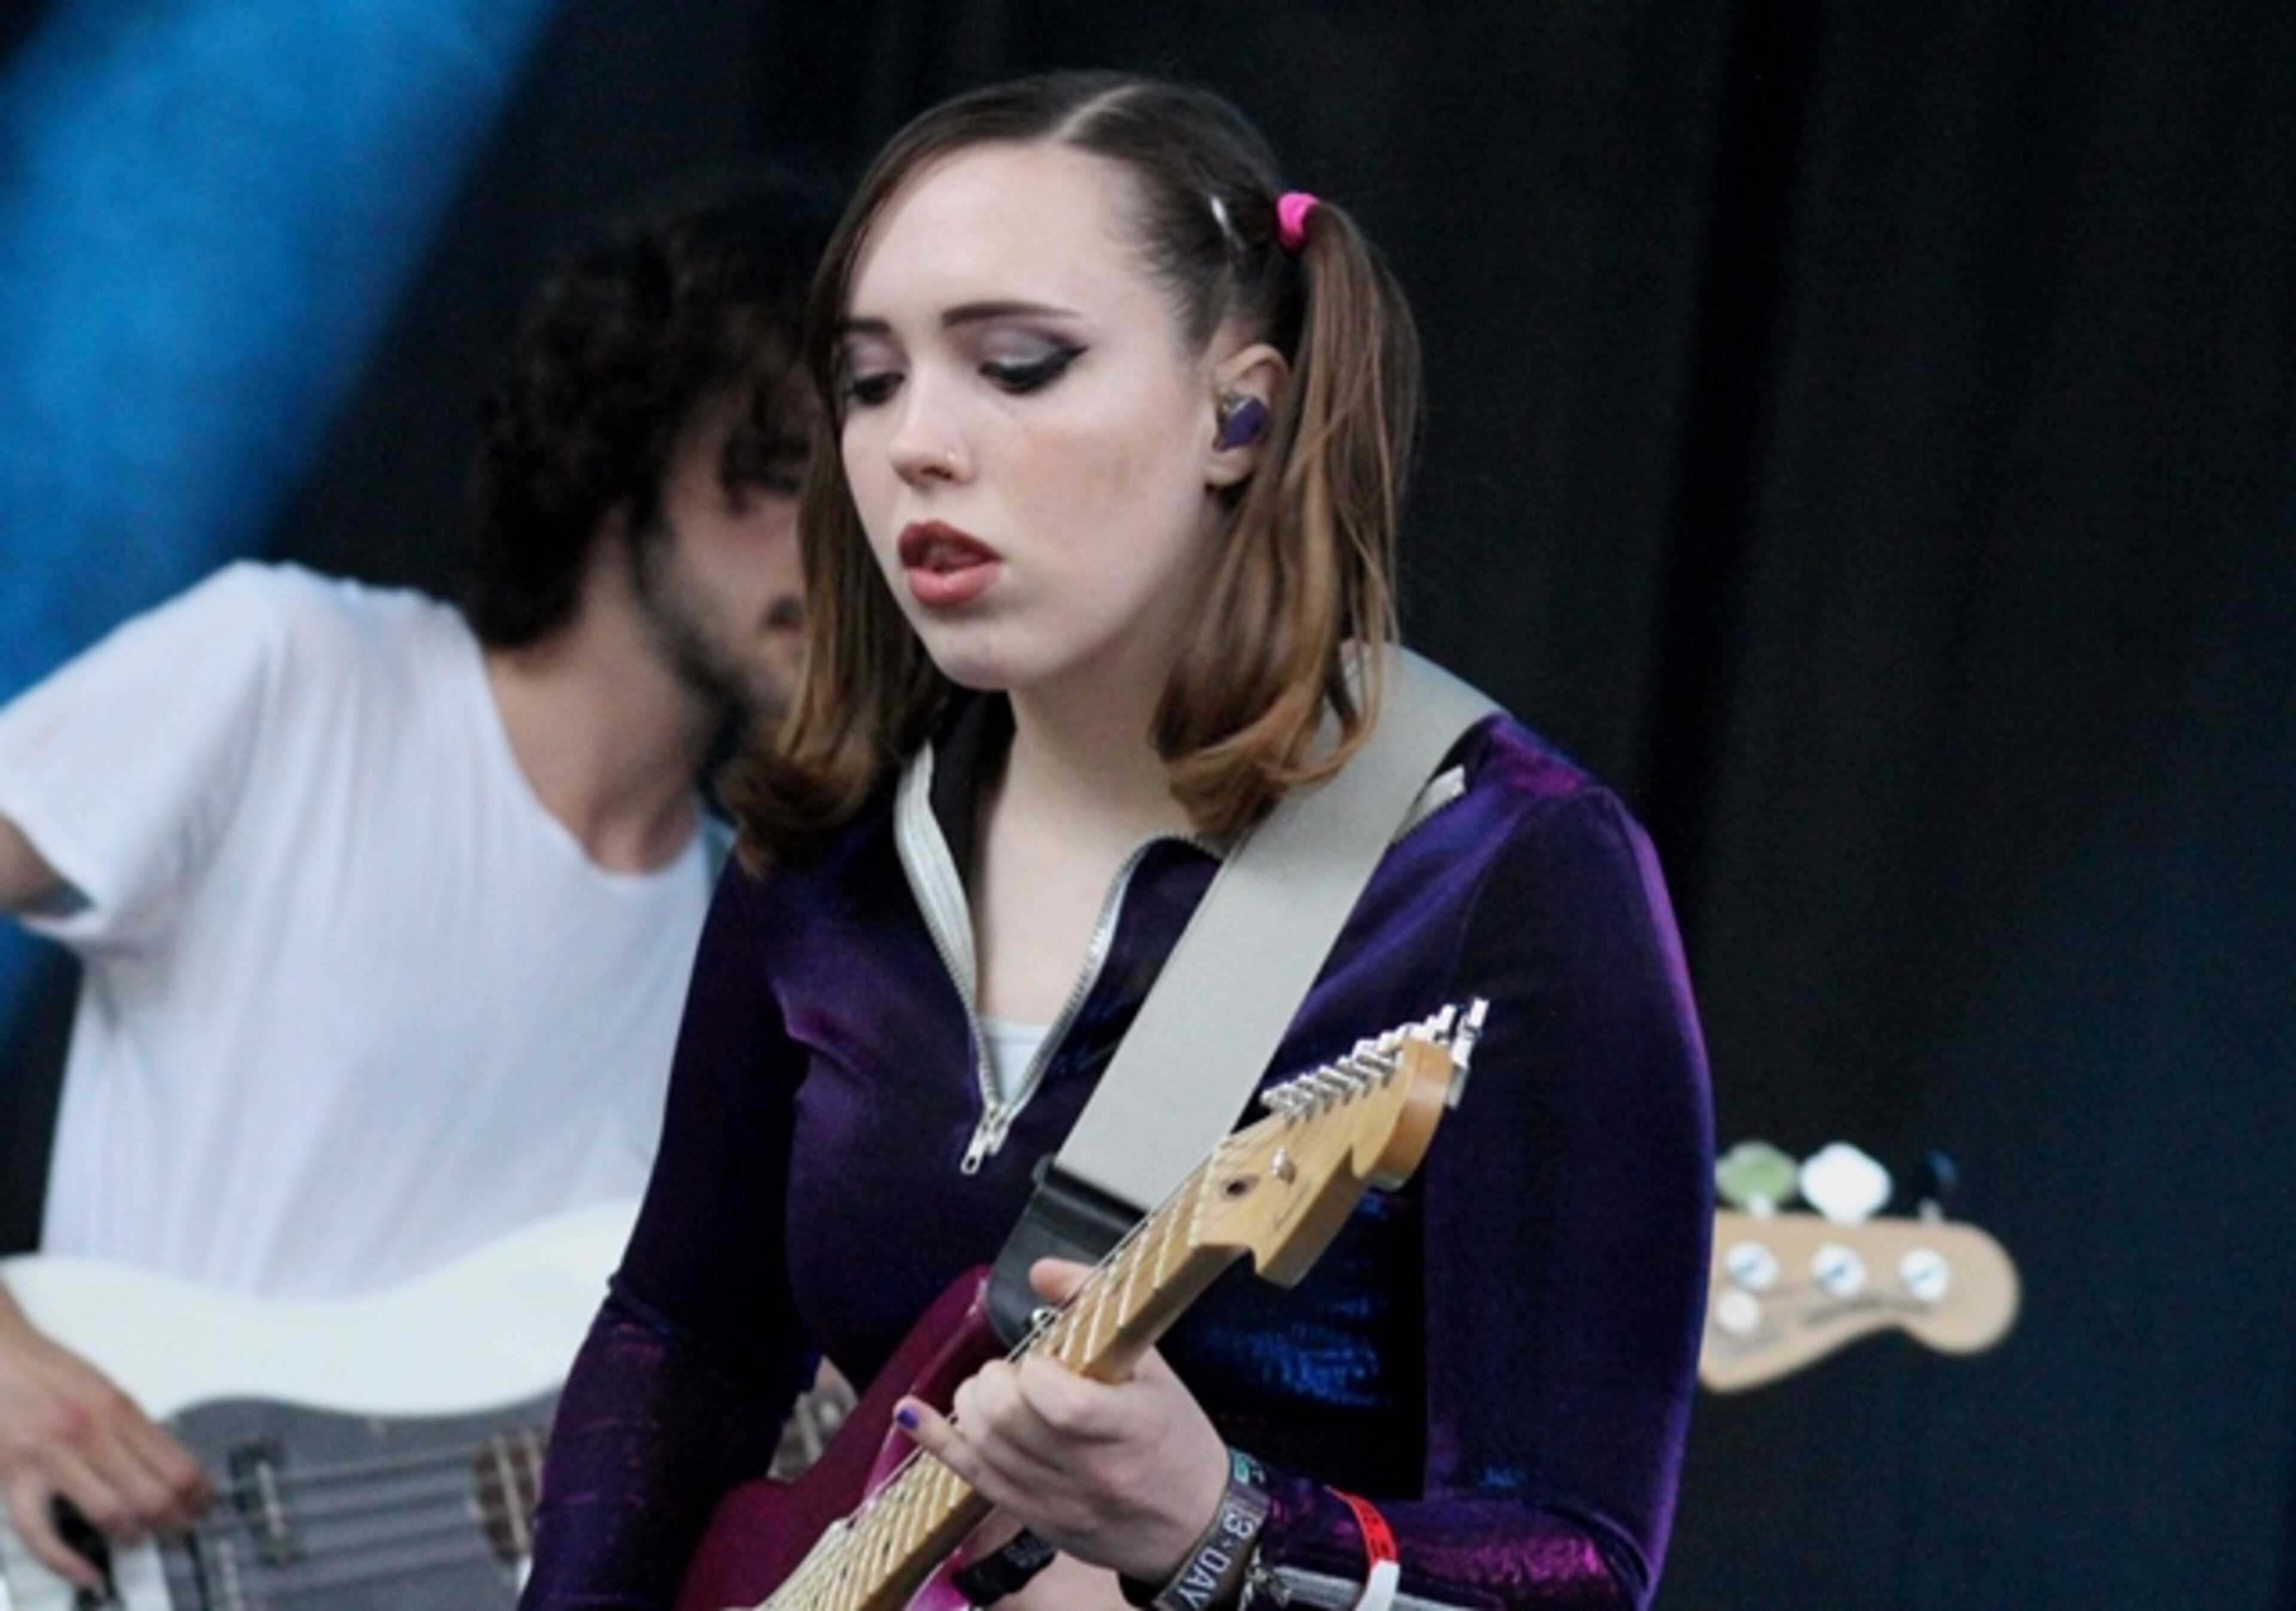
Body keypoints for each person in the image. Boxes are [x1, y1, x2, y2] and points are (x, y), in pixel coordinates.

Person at [521, 70, 1713, 1611]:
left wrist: (1221, 1527)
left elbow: (1581, 1569)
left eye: (1018, 366)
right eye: (871, 381)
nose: (914, 447)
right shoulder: (831, 850)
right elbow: (682, 1337)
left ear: (1244, 409)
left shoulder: (1504, 875)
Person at [0, 183, 833, 1594]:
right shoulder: (289, 669)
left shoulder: (761, 968)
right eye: (787, 468)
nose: (846, 553)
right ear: (634, 447)